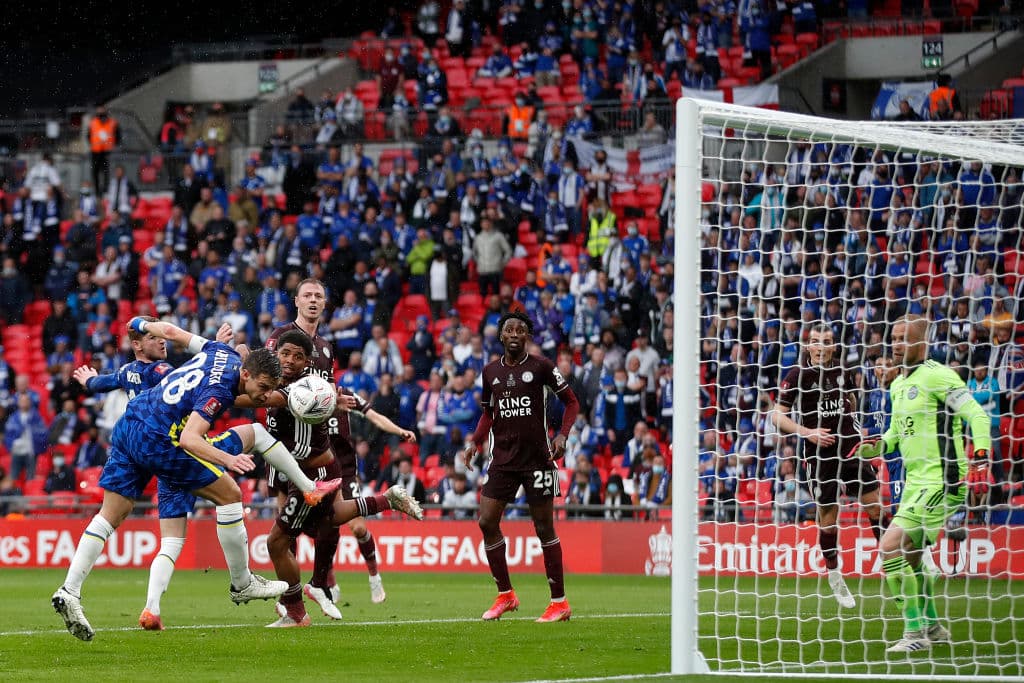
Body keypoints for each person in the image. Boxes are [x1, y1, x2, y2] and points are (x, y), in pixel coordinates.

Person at [50, 318, 340, 641]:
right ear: (245, 373)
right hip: (163, 440)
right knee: (230, 494)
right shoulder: (220, 389)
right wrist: (229, 459)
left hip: (131, 424)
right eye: (263, 388)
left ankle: (70, 590)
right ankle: (242, 583)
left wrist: (140, 322)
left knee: (110, 514)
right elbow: (190, 439)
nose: (265, 395)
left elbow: (172, 332)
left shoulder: (218, 350)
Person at [237, 330, 420, 627]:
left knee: (277, 542)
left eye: (298, 357)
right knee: (329, 519)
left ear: (308, 361)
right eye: (285, 354)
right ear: (276, 353)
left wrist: (233, 374)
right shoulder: (281, 380)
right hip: (309, 468)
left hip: (312, 473)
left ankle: (296, 609)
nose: (290, 361)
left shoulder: (301, 388)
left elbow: (255, 398)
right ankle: (387, 499)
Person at [850, 316, 991, 652]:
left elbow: (977, 415)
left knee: (888, 548)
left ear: (921, 341)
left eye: (903, 338)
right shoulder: (897, 386)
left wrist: (982, 455)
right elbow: (896, 437)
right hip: (916, 484)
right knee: (910, 558)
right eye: (894, 338)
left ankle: (914, 636)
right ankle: (932, 627)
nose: (896, 344)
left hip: (944, 481)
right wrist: (874, 447)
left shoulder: (939, 376)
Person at [463, 311, 580, 622]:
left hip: (538, 461)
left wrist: (563, 436)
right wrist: (475, 442)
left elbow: (572, 402)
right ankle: (506, 594)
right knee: (486, 522)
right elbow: (488, 413)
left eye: (520, 330)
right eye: (509, 329)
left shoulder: (542, 366)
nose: (514, 334)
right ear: (501, 336)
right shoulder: (490, 372)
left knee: (544, 528)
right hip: (502, 460)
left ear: (527, 336)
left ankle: (559, 602)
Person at [771, 322, 882, 610]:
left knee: (875, 507)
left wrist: (855, 429)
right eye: (816, 341)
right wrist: (808, 433)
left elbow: (852, 401)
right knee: (829, 518)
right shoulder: (797, 375)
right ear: (809, 345)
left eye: (827, 341)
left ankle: (893, 562)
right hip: (819, 456)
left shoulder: (843, 371)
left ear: (834, 346)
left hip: (850, 449)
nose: (821, 347)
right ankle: (834, 574)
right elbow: (777, 417)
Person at [88, 106, 119, 192]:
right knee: (96, 172)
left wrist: (114, 145)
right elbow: (89, 136)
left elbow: (117, 135)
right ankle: (97, 190)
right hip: (96, 151)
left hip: (107, 151)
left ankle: (106, 189)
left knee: (106, 171)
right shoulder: (93, 123)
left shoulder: (112, 122)